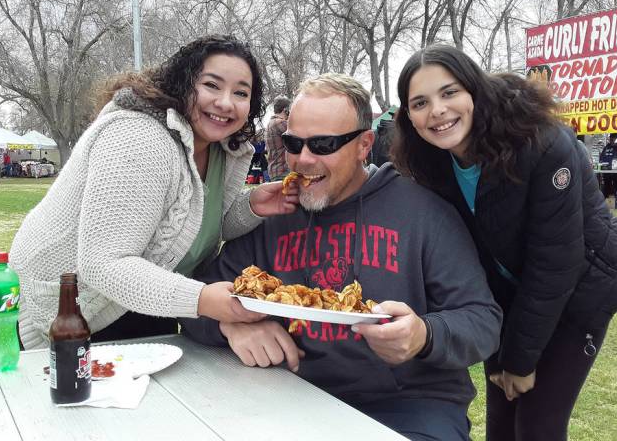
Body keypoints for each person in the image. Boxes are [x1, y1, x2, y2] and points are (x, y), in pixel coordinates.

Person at [182, 73, 502, 441]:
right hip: (290, 396)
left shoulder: (424, 213)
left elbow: (482, 321)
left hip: (408, 406)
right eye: (293, 143)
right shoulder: (275, 216)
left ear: (365, 145)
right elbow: (191, 298)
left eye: (323, 144)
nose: (302, 160)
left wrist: (423, 336)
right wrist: (230, 322)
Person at [389, 44, 617, 441]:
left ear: (473, 89)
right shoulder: (429, 159)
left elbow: (555, 264)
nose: (437, 110)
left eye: (449, 92)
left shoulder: (540, 142)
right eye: (420, 102)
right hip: (508, 298)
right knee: (501, 424)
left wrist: (519, 360)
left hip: (581, 288)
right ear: (408, 116)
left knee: (536, 426)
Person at [9, 34, 299, 350]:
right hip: (74, 312)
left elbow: (191, 226)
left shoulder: (222, 150)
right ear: (182, 84)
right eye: (212, 85)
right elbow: (103, 263)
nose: (226, 102)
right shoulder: (139, 137)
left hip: (150, 299)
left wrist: (252, 205)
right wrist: (201, 298)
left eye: (241, 93)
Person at [264, 95, 291, 181]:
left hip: (275, 170)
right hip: (283, 170)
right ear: (285, 110)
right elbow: (301, 134)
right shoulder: (280, 123)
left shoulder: (271, 123)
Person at [599, 133, 617, 197]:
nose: (612, 139)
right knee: (607, 188)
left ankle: (616, 201)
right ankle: (607, 202)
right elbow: (601, 157)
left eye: (613, 138)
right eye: (611, 138)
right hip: (606, 172)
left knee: (616, 188)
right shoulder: (607, 147)